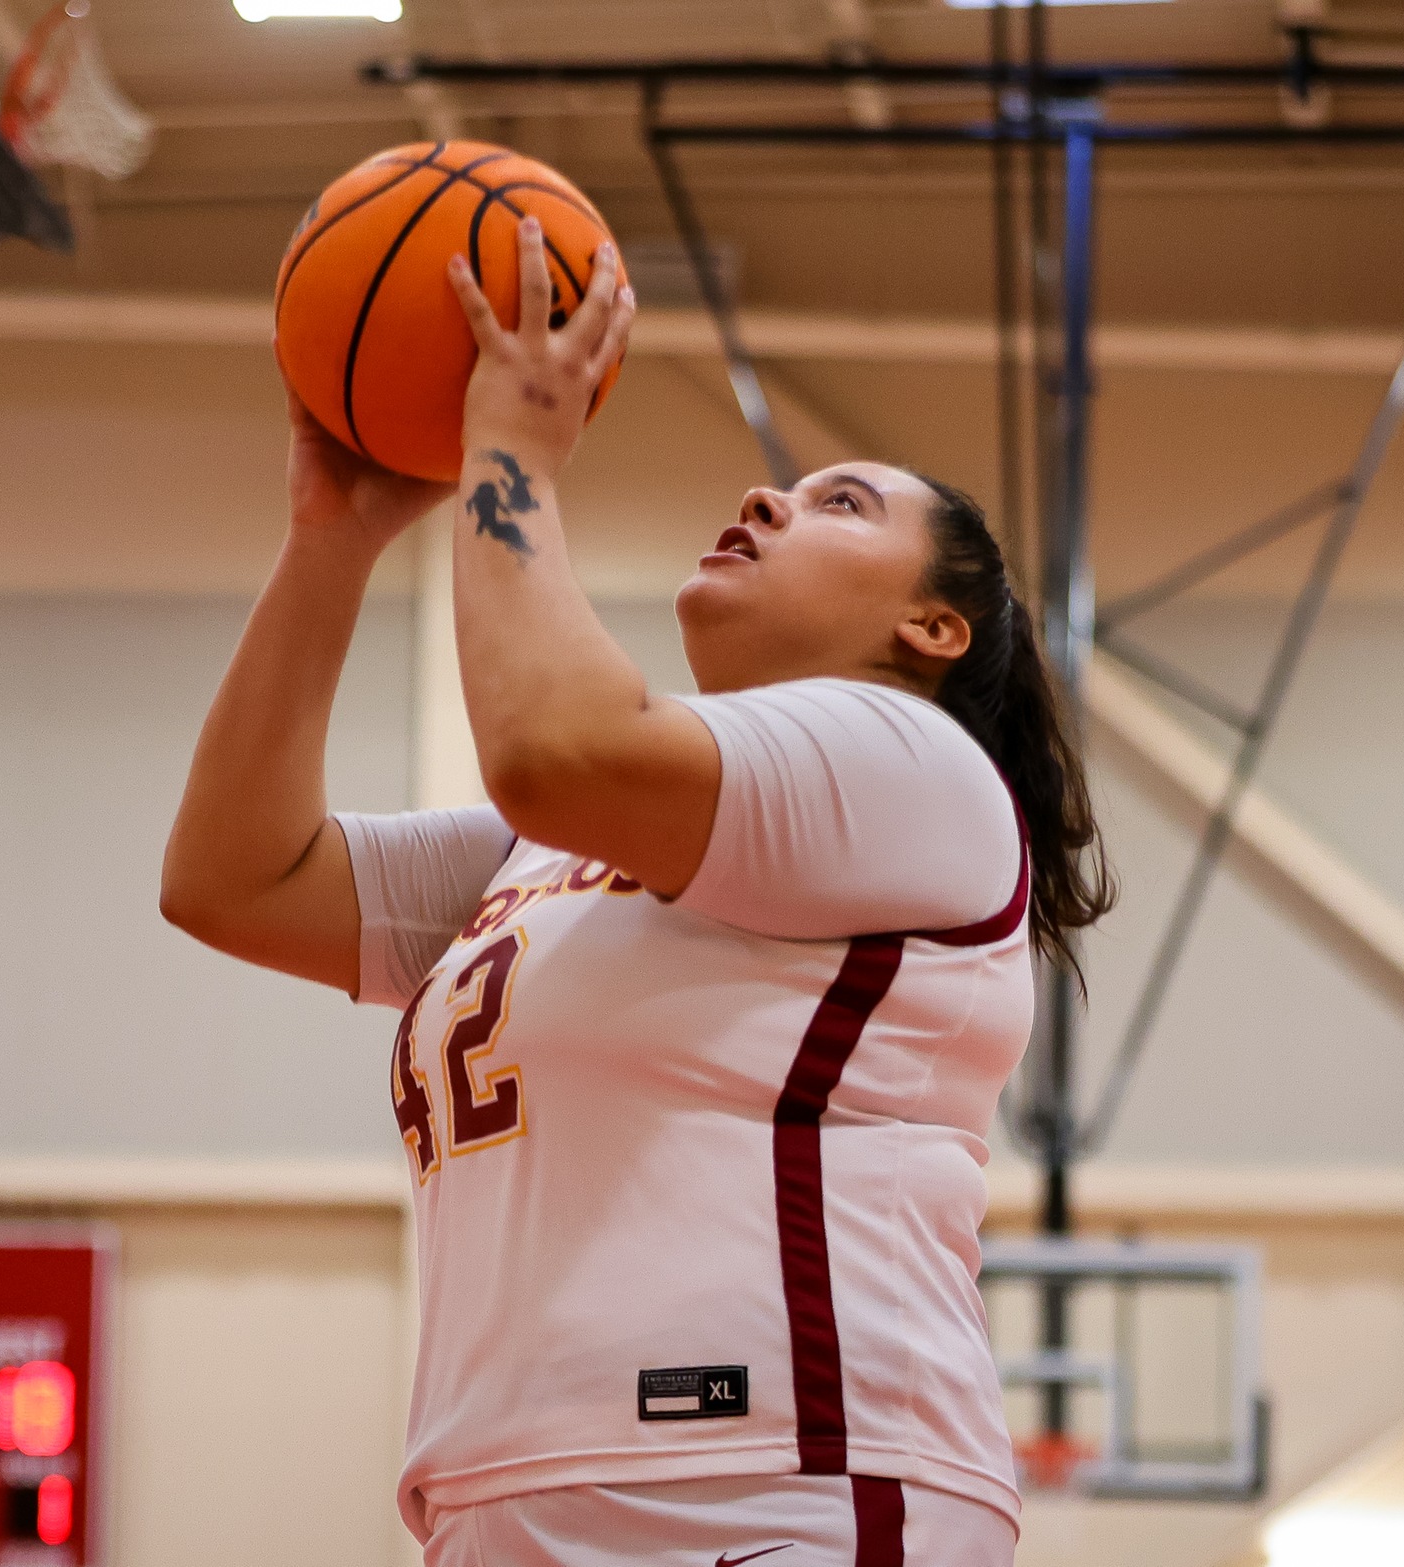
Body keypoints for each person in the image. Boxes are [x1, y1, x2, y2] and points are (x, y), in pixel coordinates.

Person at [162, 217, 1111, 1567]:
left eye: (842, 504)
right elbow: (233, 879)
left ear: (932, 630)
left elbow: (556, 743)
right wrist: (332, 538)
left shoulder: (916, 767)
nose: (773, 499)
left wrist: (513, 451)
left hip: (780, 1493)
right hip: (513, 1497)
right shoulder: (549, 844)